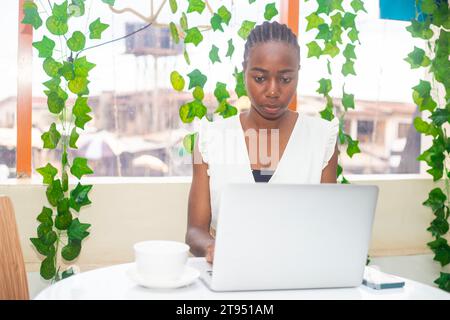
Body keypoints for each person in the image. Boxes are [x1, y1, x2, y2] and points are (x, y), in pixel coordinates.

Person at [186, 21, 339, 263]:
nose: (273, 90)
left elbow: (329, 226)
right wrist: (213, 248)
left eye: (286, 79)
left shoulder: (322, 139)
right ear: (243, 71)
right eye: (259, 78)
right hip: (228, 275)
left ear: (298, 72)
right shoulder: (209, 139)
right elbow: (194, 231)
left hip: (296, 275)